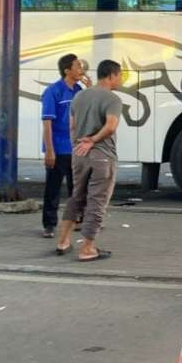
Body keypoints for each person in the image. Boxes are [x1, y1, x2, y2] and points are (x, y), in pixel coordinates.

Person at [54, 60, 124, 262]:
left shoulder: (79, 95)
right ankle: (87, 248)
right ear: (111, 75)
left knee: (76, 197)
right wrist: (92, 140)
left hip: (79, 155)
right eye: (119, 76)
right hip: (102, 155)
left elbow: (72, 126)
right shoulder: (113, 99)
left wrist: (79, 144)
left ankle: (63, 241)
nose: (120, 80)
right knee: (97, 202)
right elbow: (111, 127)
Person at [41, 53, 89, 238]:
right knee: (52, 188)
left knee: (76, 187)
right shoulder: (53, 91)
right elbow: (47, 122)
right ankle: (49, 224)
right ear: (67, 70)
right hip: (58, 147)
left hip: (75, 147)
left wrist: (90, 88)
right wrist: (50, 150)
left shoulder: (79, 90)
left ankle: (77, 219)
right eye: (78, 66)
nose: (81, 69)